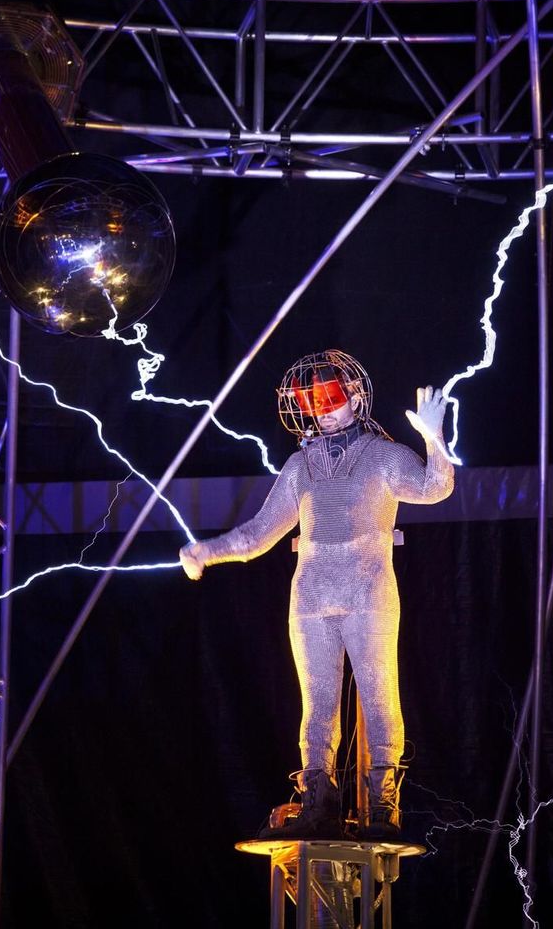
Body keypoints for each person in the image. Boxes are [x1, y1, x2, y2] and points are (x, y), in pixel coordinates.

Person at [180, 350, 454, 840]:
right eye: (312, 400)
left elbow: (434, 488)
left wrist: (434, 439)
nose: (322, 408)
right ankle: (317, 802)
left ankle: (382, 809)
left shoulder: (383, 456)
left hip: (368, 589)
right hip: (310, 596)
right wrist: (207, 551)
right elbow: (258, 534)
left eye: (330, 397)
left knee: (378, 695)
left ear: (354, 398)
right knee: (318, 703)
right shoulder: (299, 466)